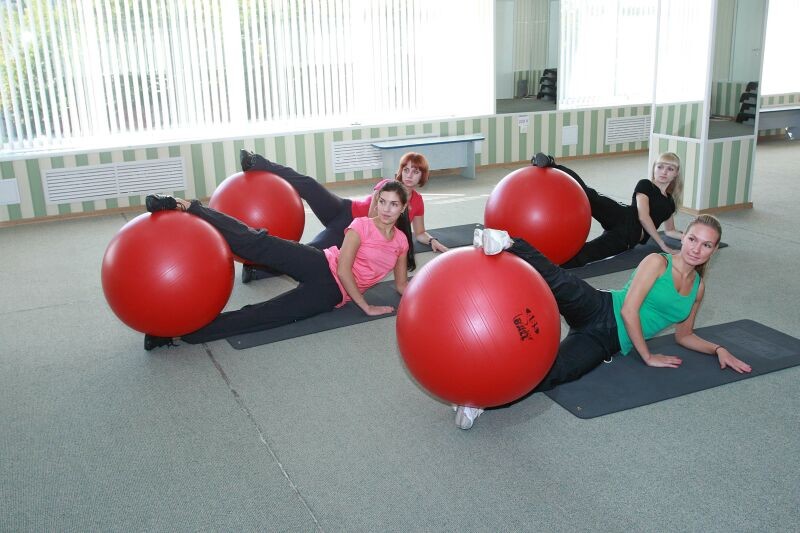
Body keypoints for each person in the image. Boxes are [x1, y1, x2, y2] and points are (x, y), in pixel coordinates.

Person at [453, 215, 751, 430]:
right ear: (683, 237)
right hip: (604, 308)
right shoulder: (657, 262)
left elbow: (685, 336)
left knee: (556, 372)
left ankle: (480, 399)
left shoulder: (698, 289)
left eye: (706, 245)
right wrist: (647, 356)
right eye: (692, 239)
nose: (696, 249)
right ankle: (505, 241)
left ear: (714, 250)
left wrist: (718, 350)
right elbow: (628, 311)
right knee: (561, 281)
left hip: (605, 342)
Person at [141, 180, 415, 351]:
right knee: (257, 242)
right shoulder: (361, 226)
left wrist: (429, 294)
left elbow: (403, 285)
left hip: (330, 295)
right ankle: (187, 206)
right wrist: (365, 306)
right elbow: (344, 270)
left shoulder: (401, 242)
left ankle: (175, 333)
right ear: (376, 202)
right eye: (382, 202)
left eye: (393, 205)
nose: (386, 209)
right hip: (320, 263)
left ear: (403, 208)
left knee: (264, 316)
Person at [239, 149, 448, 283]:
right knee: (310, 184)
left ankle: (257, 271)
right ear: (400, 171)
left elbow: (418, 232)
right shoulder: (387, 186)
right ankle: (257, 162)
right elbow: (371, 217)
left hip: (350, 230)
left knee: (308, 253)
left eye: (416, 172)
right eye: (407, 170)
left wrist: (432, 240)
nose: (410, 175)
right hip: (343, 208)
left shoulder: (418, 202)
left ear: (423, 176)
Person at [531, 152, 684, 268]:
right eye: (660, 167)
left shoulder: (670, 203)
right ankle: (552, 164)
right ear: (654, 169)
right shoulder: (646, 185)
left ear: (676, 173)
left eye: (670, 169)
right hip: (623, 216)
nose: (664, 172)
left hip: (627, 238)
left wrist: (687, 236)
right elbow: (643, 217)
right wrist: (663, 245)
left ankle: (542, 265)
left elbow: (670, 231)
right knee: (590, 196)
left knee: (586, 255)